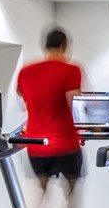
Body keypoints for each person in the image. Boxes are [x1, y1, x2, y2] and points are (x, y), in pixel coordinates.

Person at [16, 26, 84, 195]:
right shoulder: (71, 70)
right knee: (73, 194)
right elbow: (74, 103)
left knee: (41, 193)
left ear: (45, 46)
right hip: (65, 144)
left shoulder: (26, 71)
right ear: (64, 46)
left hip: (36, 146)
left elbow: (22, 96)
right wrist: (93, 126)